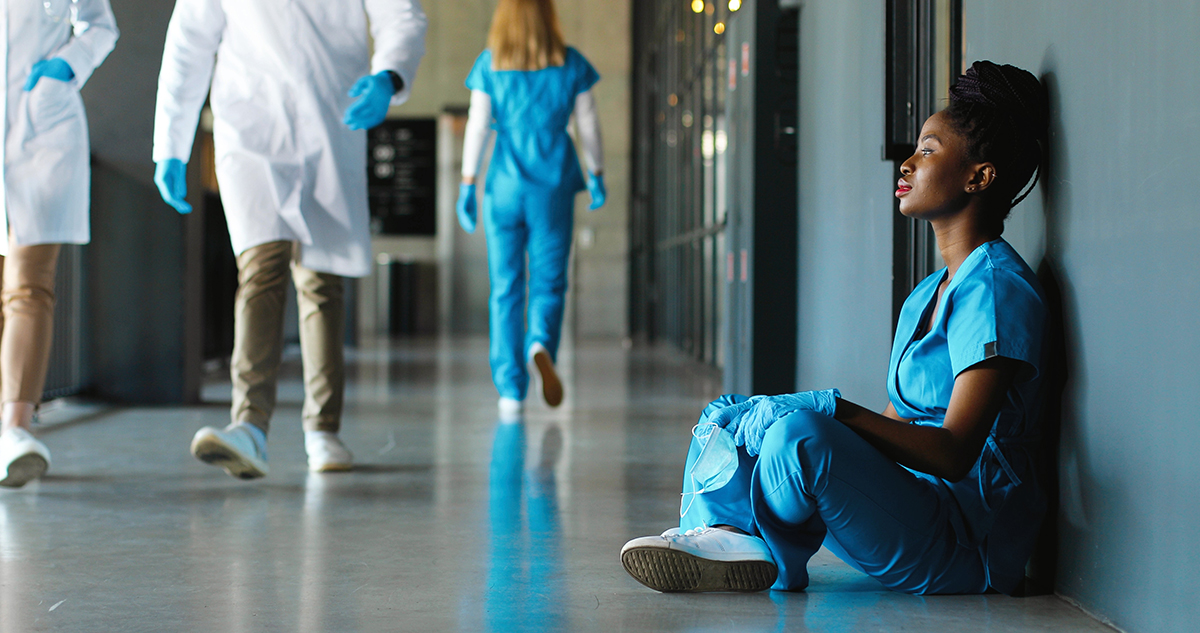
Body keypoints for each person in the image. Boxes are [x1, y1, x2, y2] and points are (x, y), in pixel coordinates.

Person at [621, 61, 1050, 595]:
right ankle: (725, 535)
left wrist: (830, 411)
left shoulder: (995, 288)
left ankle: (751, 541)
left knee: (802, 435)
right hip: (906, 512)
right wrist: (798, 415)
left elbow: (954, 452)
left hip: (964, 541)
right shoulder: (927, 294)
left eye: (929, 150)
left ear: (978, 176)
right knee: (732, 415)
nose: (909, 162)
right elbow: (899, 428)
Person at [152, 0, 427, 478]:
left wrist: (389, 75)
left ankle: (323, 429)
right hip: (251, 123)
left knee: (323, 280)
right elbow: (189, 41)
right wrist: (172, 143)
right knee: (261, 267)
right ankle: (250, 427)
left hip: (332, 116)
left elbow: (401, 15)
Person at [456, 0, 606, 418]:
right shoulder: (572, 64)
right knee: (549, 282)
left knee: (505, 287)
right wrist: (596, 172)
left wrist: (468, 183)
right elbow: (588, 125)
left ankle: (510, 389)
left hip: (503, 186)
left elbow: (478, 125)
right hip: (553, 186)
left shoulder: (489, 64)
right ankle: (540, 342)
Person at [0, 0, 118, 488]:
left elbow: (101, 26)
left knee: (29, 285)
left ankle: (16, 430)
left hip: (39, 131)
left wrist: (65, 67)